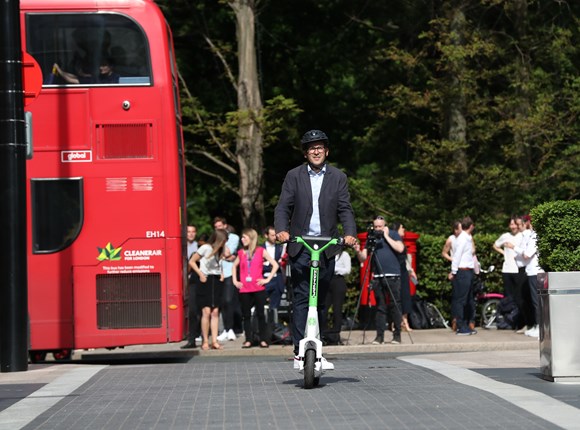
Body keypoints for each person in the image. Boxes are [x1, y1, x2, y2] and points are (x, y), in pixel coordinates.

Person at [274, 129, 357, 371]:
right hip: (301, 246)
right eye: (311, 148)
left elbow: (345, 209)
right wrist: (281, 230)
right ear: (305, 153)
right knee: (301, 298)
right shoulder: (294, 176)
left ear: (326, 151)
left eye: (320, 147)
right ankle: (301, 351)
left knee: (320, 302)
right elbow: (283, 207)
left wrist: (349, 233)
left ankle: (317, 348)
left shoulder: (338, 177)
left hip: (327, 247)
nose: (316, 151)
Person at [354, 216, 405, 344]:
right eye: (375, 227)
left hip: (393, 275)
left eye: (380, 227)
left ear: (385, 226)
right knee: (380, 307)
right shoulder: (371, 238)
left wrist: (386, 236)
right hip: (377, 276)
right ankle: (379, 336)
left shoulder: (393, 234)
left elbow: (400, 248)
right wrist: (358, 250)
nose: (377, 229)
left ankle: (397, 335)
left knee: (395, 305)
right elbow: (363, 258)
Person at [232, 228, 279, 348]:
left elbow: (275, 264)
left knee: (260, 314)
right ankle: (248, 339)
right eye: (242, 238)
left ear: (251, 238)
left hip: (258, 288)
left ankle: (263, 339)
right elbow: (234, 266)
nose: (242, 240)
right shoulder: (241, 252)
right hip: (245, 288)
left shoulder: (260, 251)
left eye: (244, 237)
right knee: (246, 315)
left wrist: (267, 280)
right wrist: (235, 281)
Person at [189, 229, 229, 351]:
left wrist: (221, 273)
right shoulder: (206, 248)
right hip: (206, 279)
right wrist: (200, 273)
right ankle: (205, 340)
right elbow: (192, 261)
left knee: (215, 312)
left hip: (216, 280)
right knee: (206, 311)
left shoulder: (220, 251)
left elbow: (222, 260)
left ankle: (214, 341)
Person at [493, 216, 526, 329]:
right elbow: (495, 245)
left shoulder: (522, 236)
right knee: (508, 296)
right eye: (511, 224)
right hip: (507, 269)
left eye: (515, 224)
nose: (513, 226)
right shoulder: (505, 236)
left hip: (518, 269)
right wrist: (504, 253)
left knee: (519, 296)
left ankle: (520, 322)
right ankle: (508, 321)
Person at [213, 217, 241, 342]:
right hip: (218, 272)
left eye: (220, 226)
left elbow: (228, 254)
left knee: (229, 300)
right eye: (216, 227)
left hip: (230, 272)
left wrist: (222, 250)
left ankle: (231, 329)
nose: (218, 229)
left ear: (225, 225)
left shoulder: (233, 238)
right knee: (222, 302)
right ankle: (226, 329)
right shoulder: (214, 237)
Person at [449, 216, 476, 335]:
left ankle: (465, 324)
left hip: (468, 270)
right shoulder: (463, 239)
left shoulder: (467, 238)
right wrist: (454, 271)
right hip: (462, 271)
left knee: (468, 299)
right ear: (471, 226)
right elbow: (457, 256)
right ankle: (460, 326)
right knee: (461, 300)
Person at [391, 222, 417, 332]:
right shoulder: (393, 242)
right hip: (396, 272)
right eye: (402, 227)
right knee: (396, 297)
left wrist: (411, 270)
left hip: (404, 271)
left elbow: (405, 259)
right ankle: (396, 322)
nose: (404, 229)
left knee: (405, 297)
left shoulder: (401, 242)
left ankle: (404, 321)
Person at [321, 249, 351, 345]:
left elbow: (347, 270)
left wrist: (335, 269)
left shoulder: (344, 255)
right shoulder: (328, 253)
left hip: (338, 281)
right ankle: (323, 332)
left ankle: (336, 333)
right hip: (328, 280)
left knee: (337, 308)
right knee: (324, 307)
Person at [182, 225, 200, 349]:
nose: (191, 234)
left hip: (195, 279)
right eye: (188, 232)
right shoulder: (181, 246)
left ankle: (195, 335)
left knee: (195, 309)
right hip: (184, 279)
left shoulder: (200, 246)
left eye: (193, 232)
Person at [261, 226, 287, 310]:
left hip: (277, 279)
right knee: (261, 304)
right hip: (263, 278)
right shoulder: (260, 248)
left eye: (275, 235)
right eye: (272, 235)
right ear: (266, 235)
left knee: (275, 306)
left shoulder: (280, 248)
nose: (274, 237)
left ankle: (273, 322)